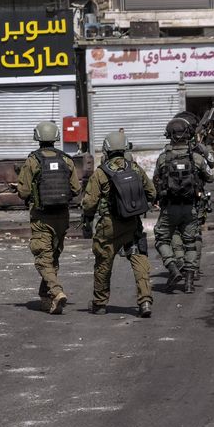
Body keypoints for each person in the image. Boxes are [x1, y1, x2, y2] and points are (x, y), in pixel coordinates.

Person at [82, 131, 155, 318]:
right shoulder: (135, 168)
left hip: (109, 225)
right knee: (139, 259)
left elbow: (90, 203)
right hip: (132, 223)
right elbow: (151, 192)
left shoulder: (101, 173)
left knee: (103, 263)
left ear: (106, 148)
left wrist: (88, 218)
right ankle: (145, 301)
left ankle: (100, 304)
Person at [16, 122, 81, 314]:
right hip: (62, 216)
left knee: (43, 258)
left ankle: (56, 291)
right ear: (56, 136)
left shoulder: (32, 161)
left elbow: (24, 191)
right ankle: (47, 299)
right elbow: (76, 189)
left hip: (41, 216)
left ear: (37, 137)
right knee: (52, 257)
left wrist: (20, 189)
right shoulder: (66, 160)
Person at [153, 116, 214, 294]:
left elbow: (156, 181)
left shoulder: (163, 158)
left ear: (169, 136)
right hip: (190, 207)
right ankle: (189, 282)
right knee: (191, 242)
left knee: (162, 238)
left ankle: (172, 267)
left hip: (169, 208)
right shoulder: (196, 157)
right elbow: (210, 177)